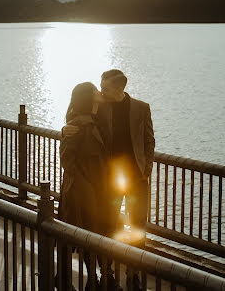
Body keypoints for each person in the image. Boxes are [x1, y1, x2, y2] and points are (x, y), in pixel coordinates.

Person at [63, 70, 155, 291]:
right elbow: (77, 117)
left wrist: (146, 169)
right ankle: (108, 273)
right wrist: (65, 129)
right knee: (108, 227)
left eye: (106, 89)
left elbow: (149, 140)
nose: (102, 92)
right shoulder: (99, 107)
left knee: (137, 227)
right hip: (108, 180)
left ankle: (134, 274)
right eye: (101, 88)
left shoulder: (141, 108)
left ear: (120, 89)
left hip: (137, 180)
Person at [58, 82, 121, 291]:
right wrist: (85, 187)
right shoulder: (78, 125)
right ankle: (93, 280)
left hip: (101, 188)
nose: (99, 92)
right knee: (87, 234)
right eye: (95, 90)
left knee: (100, 232)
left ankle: (101, 278)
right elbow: (67, 161)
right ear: (88, 97)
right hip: (84, 192)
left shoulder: (97, 118)